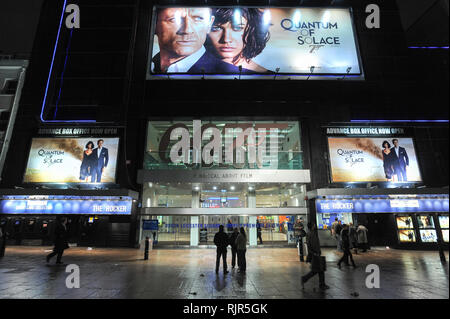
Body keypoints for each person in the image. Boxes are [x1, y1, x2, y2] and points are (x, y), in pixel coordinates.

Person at [151, 7, 241, 74]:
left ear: (210, 24)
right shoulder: (148, 66)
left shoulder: (235, 74)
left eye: (198, 19)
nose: (187, 30)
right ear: (154, 24)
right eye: (173, 19)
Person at [206, 8, 271, 73]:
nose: (226, 39)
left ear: (252, 31)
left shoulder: (270, 76)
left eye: (237, 28)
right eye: (216, 28)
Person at [301, 223, 329, 290]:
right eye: (314, 225)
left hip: (313, 253)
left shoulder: (309, 233)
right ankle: (305, 279)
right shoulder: (312, 234)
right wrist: (317, 252)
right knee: (318, 270)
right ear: (312, 227)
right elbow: (314, 244)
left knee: (318, 270)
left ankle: (321, 284)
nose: (315, 226)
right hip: (315, 254)